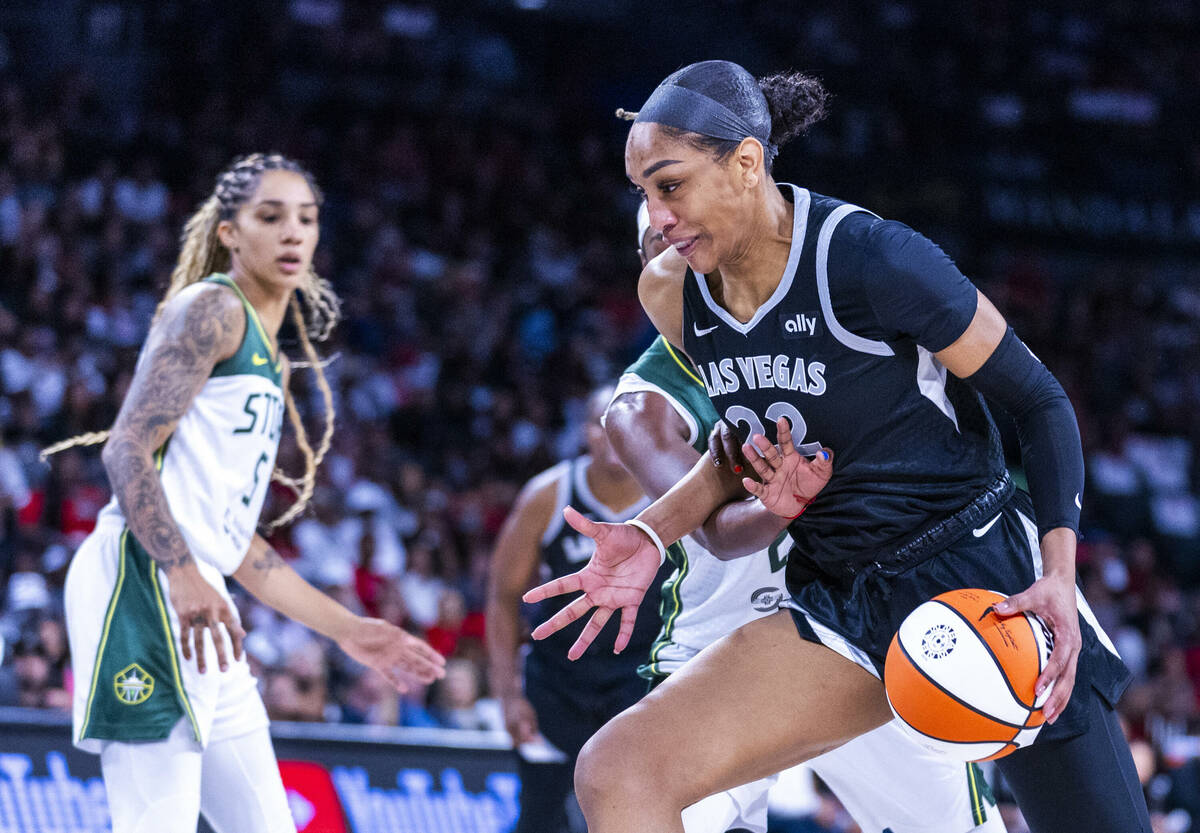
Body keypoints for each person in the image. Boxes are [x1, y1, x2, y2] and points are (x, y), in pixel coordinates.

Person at [525, 61, 1150, 833]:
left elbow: (1040, 401)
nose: (655, 216)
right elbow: (734, 452)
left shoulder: (873, 259)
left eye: (670, 185)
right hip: (840, 597)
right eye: (642, 194)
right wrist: (655, 529)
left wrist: (1058, 573)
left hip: (981, 574)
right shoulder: (670, 291)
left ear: (746, 163)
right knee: (618, 771)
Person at [46, 153, 446, 833]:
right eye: (271, 216)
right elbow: (125, 448)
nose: (293, 233)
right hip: (145, 581)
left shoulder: (268, 350)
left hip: (204, 599)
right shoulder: (212, 310)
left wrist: (350, 629)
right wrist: (180, 571)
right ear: (229, 232)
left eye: (307, 219)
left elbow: (238, 545)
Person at [605, 205, 1003, 833]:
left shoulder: (817, 335)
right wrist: (775, 505)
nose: (684, 254)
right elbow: (715, 533)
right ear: (647, 268)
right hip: (723, 639)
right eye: (663, 244)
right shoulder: (642, 406)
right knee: (644, 797)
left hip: (854, 629)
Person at [486, 386, 670, 833]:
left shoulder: (672, 492)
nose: (611, 434)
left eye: (625, 423)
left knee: (628, 815)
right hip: (555, 683)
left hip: (637, 681)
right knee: (540, 817)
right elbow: (500, 596)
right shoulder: (548, 495)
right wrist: (507, 696)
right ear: (584, 431)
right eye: (599, 422)